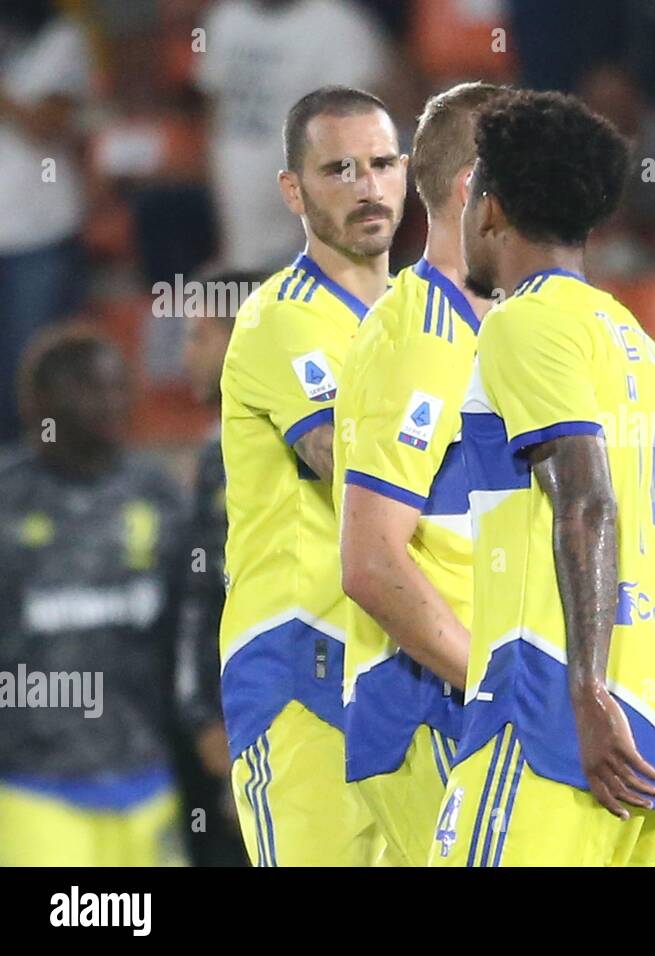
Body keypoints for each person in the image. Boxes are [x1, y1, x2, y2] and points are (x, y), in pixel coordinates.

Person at [431, 90, 655, 867]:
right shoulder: (643, 348)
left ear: (489, 207)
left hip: (554, 720)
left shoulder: (521, 322)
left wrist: (589, 691)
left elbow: (586, 500)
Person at [219, 85, 405, 865]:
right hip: (301, 663)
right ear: (292, 190)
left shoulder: (422, 320)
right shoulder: (281, 317)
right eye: (339, 170)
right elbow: (356, 470)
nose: (367, 186)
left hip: (397, 664)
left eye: (382, 163)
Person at [333, 81, 503, 868]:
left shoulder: (498, 330)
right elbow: (370, 559)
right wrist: (502, 682)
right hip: (433, 711)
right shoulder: (419, 337)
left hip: (481, 708)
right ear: (475, 189)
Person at [0, 326, 187, 866]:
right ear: (39, 404)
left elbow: (194, 623)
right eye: (88, 388)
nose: (110, 402)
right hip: (30, 789)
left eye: (117, 386)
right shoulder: (8, 502)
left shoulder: (156, 495)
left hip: (147, 778)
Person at [196, 0, 390, 271]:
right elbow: (212, 110)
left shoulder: (338, 26)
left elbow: (356, 132)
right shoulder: (226, 19)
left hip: (302, 214)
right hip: (234, 203)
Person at [177, 270, 260, 866]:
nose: (187, 355)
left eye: (198, 336)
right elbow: (203, 596)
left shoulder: (307, 447)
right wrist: (204, 716)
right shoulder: (214, 454)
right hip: (227, 727)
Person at [0, 0, 92, 443]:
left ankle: (38, 479)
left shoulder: (59, 38)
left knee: (32, 370)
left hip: (37, 234)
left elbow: (48, 122)